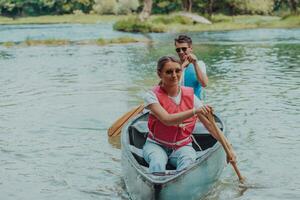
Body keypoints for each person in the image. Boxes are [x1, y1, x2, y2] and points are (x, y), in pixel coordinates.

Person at [143, 56, 235, 175]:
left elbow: (210, 126)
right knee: (157, 162)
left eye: (177, 70)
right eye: (169, 72)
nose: (174, 75)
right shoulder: (151, 96)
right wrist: (194, 111)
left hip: (182, 146)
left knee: (188, 162)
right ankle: (156, 187)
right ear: (159, 74)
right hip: (156, 145)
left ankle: (181, 185)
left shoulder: (190, 96)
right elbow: (167, 120)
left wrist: (229, 149)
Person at [174, 35, 208, 100]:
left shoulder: (199, 64)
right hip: (178, 105)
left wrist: (195, 64)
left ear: (191, 49)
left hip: (195, 105)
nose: (181, 52)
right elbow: (165, 85)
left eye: (184, 49)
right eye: (178, 50)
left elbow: (204, 84)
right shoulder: (174, 65)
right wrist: (183, 65)